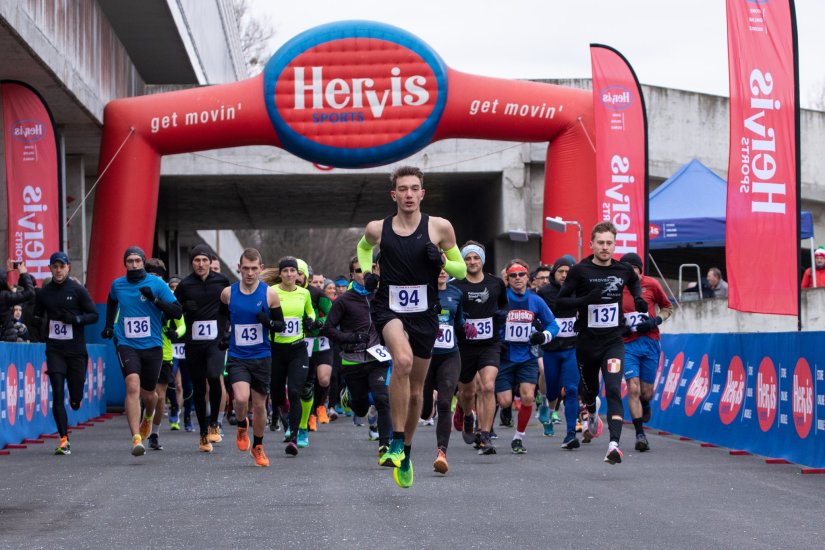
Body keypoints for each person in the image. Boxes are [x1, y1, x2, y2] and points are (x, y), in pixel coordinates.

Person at [357, 165, 466, 488]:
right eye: (402, 189)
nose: (408, 194)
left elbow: (461, 270)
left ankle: (404, 451)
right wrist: (367, 274)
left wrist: (443, 261)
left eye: (414, 188)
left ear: (422, 193)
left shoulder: (440, 227)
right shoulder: (378, 229)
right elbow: (364, 248)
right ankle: (393, 438)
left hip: (425, 315)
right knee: (401, 361)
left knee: (417, 392)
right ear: (394, 194)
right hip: (389, 307)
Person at [556, 222, 646, 465]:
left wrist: (638, 298)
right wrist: (587, 299)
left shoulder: (623, 269)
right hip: (586, 342)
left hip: (613, 341)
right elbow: (561, 301)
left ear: (614, 244)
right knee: (590, 391)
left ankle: (613, 445)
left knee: (614, 388)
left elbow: (634, 281)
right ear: (592, 244)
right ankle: (592, 411)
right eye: (601, 242)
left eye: (609, 243)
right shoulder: (579, 270)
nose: (605, 247)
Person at [101, 246, 182, 456]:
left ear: (143, 262)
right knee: (132, 385)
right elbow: (111, 300)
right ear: (125, 263)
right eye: (130, 261)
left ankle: (148, 417)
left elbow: (177, 310)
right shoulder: (118, 285)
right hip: (127, 343)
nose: (134, 265)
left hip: (153, 345)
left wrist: (155, 300)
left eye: (138, 261)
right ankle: (136, 438)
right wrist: (109, 325)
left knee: (150, 394)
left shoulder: (157, 284)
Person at [219, 248, 284, 467]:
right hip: (238, 356)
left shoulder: (270, 294)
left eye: (254, 268)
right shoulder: (228, 293)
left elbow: (280, 325)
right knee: (240, 398)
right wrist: (224, 334)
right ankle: (240, 424)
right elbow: (221, 318)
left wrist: (268, 323)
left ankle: (258, 446)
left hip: (262, 356)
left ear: (261, 269)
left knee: (259, 406)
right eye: (245, 268)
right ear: (239, 268)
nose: (249, 273)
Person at [322, 256, 392, 455]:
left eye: (369, 269)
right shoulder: (344, 300)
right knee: (360, 409)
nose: (365, 274)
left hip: (378, 358)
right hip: (352, 361)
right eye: (359, 270)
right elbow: (328, 329)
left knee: (382, 398)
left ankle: (385, 445)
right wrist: (351, 338)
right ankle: (348, 396)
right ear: (352, 274)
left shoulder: (381, 295)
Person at [32, 252, 98, 455]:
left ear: (69, 268)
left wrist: (76, 320)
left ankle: (76, 399)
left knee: (75, 394)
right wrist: (37, 323)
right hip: (55, 349)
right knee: (58, 392)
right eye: (55, 266)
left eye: (62, 266)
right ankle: (63, 440)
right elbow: (36, 314)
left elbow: (94, 315)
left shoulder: (78, 290)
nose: (58, 270)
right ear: (51, 269)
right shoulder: (44, 292)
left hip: (76, 350)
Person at [451, 241, 508, 455]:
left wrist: (501, 316)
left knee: (488, 386)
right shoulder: (456, 284)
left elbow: (503, 304)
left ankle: (485, 435)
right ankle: (467, 416)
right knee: (467, 392)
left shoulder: (495, 283)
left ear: (482, 260)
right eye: (468, 258)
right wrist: (461, 322)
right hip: (464, 346)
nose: (472, 262)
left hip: (489, 344)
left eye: (476, 258)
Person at [496, 259, 558, 454]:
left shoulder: (535, 300)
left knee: (528, 397)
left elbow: (553, 324)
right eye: (512, 275)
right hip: (504, 357)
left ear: (527, 278)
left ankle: (518, 437)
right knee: (505, 401)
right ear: (507, 278)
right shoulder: (501, 298)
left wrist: (544, 336)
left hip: (527, 356)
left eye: (521, 274)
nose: (517, 278)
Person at [174, 244, 231, 453]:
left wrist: (228, 332)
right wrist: (183, 308)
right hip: (194, 343)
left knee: (215, 376)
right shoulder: (186, 285)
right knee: (199, 388)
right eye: (197, 260)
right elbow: (173, 310)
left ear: (210, 262)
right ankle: (203, 434)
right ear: (192, 263)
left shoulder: (222, 281)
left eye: (204, 260)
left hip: (215, 341)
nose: (201, 264)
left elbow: (229, 307)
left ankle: (215, 423)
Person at [262, 257, 317, 455]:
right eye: (285, 271)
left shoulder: (304, 294)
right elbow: (263, 314)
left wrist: (311, 322)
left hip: (297, 349)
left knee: (295, 391)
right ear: (280, 274)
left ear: (297, 274)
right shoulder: (271, 292)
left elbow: (310, 313)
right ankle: (286, 422)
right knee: (277, 394)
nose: (289, 274)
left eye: (292, 271)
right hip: (275, 349)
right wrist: (269, 323)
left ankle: (294, 437)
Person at [620, 252, 673, 452]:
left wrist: (654, 321)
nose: (628, 273)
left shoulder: (651, 284)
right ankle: (640, 434)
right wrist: (620, 327)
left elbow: (668, 308)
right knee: (632, 388)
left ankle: (646, 403)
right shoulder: (616, 288)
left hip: (650, 342)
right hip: (627, 344)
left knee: (645, 392)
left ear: (639, 269)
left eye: (632, 269)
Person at [422, 268, 471, 474]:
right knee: (425, 410)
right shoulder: (423, 292)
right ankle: (426, 407)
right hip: (425, 355)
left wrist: (467, 326)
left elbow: (458, 321)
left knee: (444, 402)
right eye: (437, 269)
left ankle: (441, 453)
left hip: (450, 354)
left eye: (444, 269)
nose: (441, 272)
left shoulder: (456, 293)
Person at [537, 256, 581, 449]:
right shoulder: (545, 292)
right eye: (561, 271)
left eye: (568, 271)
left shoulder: (579, 290)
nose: (564, 275)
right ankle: (547, 404)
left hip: (572, 349)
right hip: (551, 350)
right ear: (554, 273)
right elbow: (537, 316)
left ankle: (571, 433)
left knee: (571, 390)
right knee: (553, 389)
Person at [145, 258, 185, 451]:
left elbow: (182, 323)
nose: (154, 279)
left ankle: (154, 432)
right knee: (143, 393)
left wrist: (176, 333)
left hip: (164, 352)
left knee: (160, 397)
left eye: (158, 275)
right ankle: (139, 429)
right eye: (150, 274)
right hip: (140, 350)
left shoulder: (168, 296)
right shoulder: (138, 294)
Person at [1, 259, 35, 342]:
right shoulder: (4, 297)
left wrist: (7, 274)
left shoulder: (4, 296)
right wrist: (23, 273)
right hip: (5, 339)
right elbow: (30, 293)